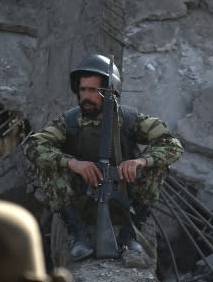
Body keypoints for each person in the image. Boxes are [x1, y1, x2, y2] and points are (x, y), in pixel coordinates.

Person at [24, 54, 184, 261]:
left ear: (110, 92)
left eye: (93, 90)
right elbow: (34, 145)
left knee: (158, 165)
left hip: (124, 200)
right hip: (81, 200)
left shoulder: (128, 119)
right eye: (83, 90)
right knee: (47, 163)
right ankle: (78, 235)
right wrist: (73, 163)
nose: (86, 96)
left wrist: (140, 161)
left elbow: (172, 144)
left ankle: (129, 234)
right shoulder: (70, 121)